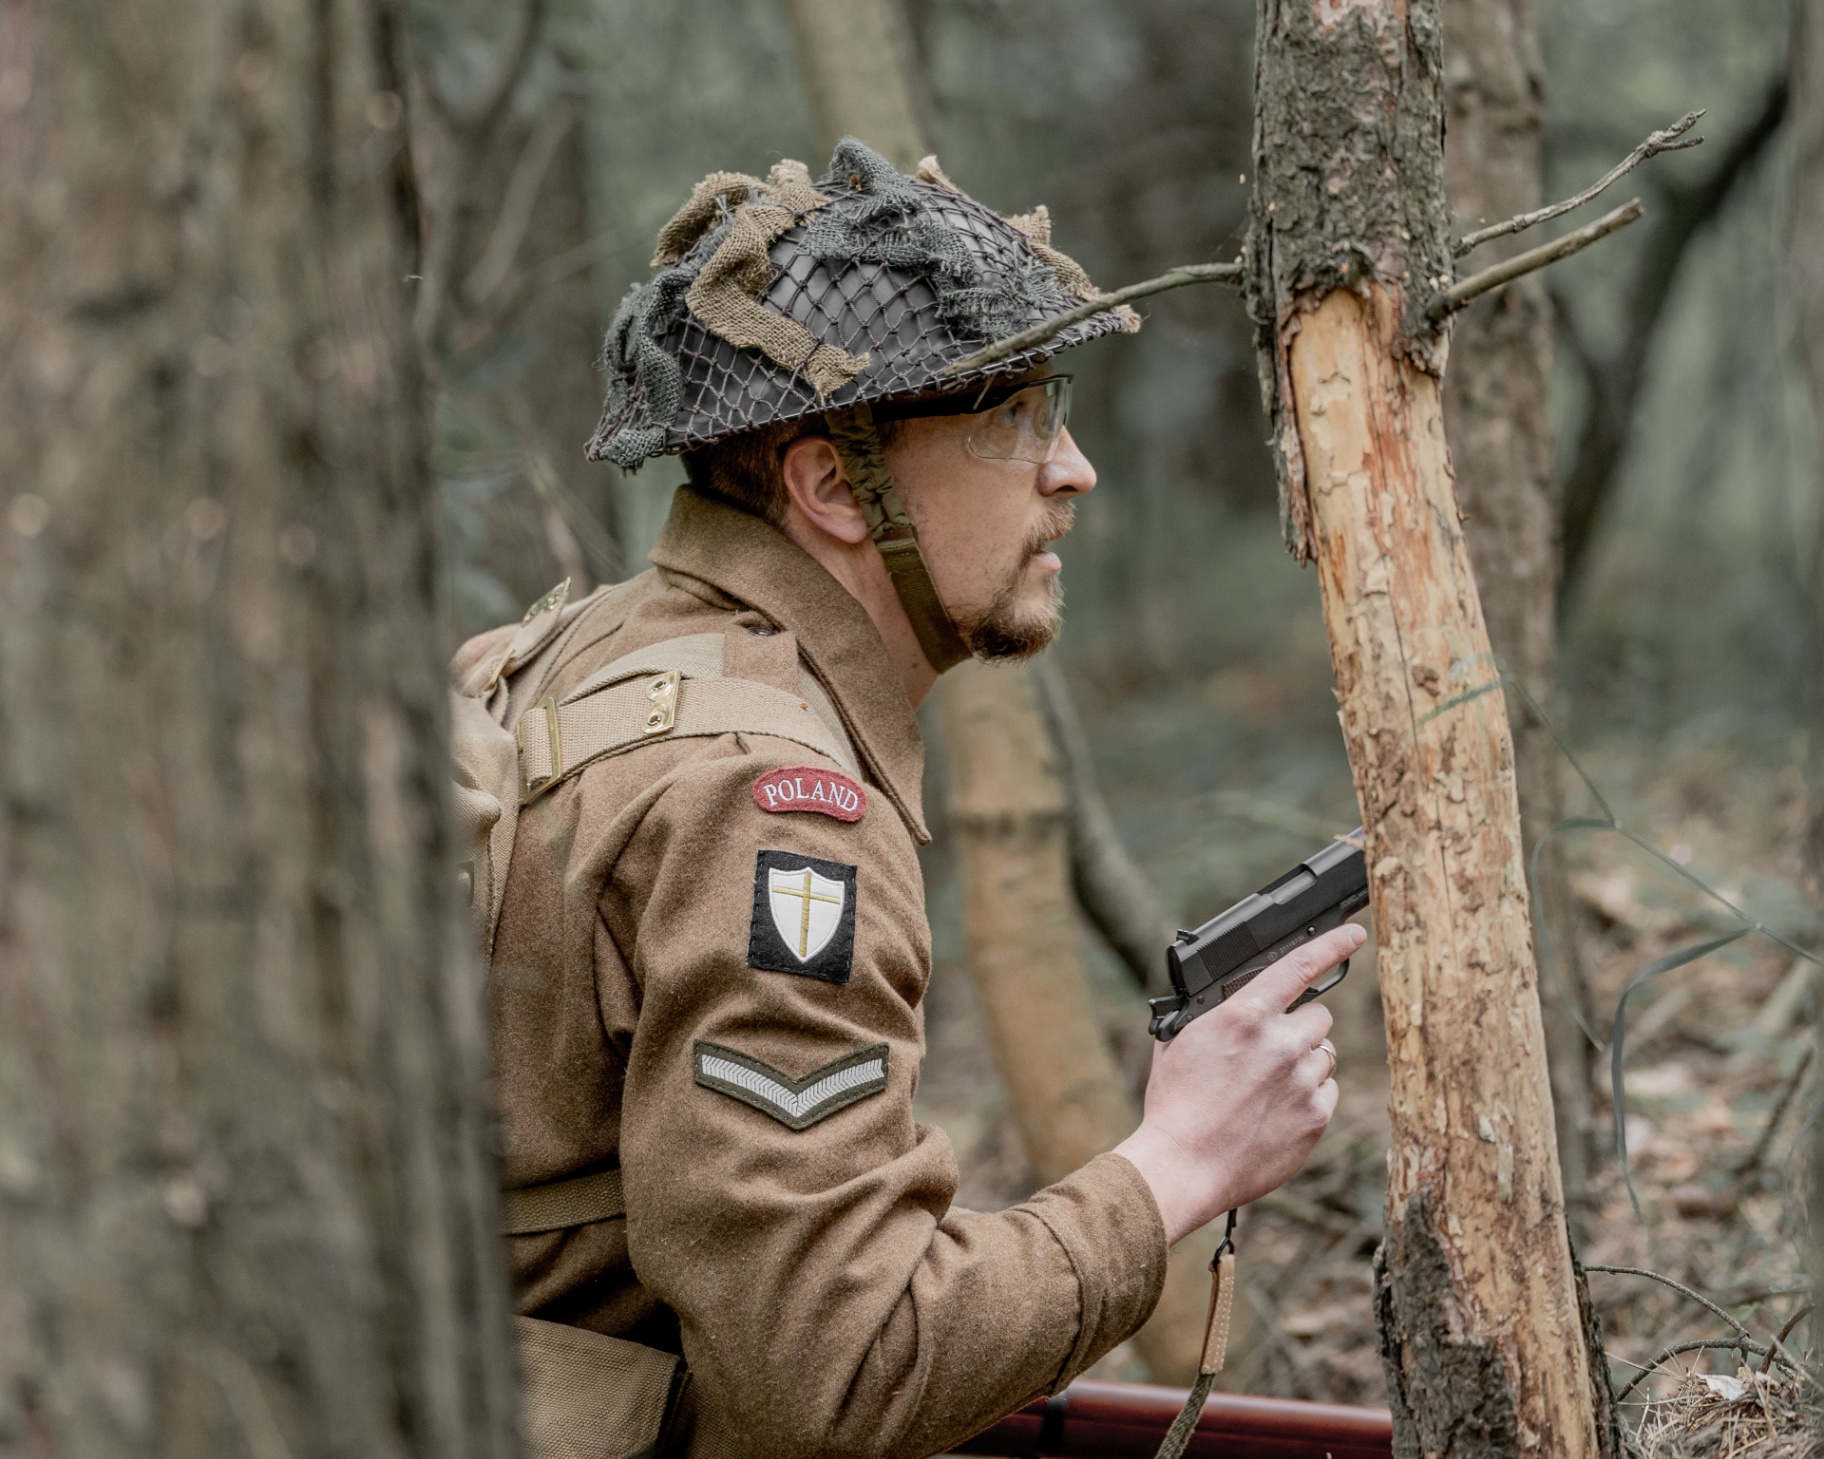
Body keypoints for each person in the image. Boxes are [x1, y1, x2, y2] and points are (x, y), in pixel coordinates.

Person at [452, 138, 1358, 1459]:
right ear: (832, 486)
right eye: (1013, 420)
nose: (1072, 470)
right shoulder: (768, 801)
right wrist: (1180, 1166)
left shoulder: (569, 652)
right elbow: (839, 1377)